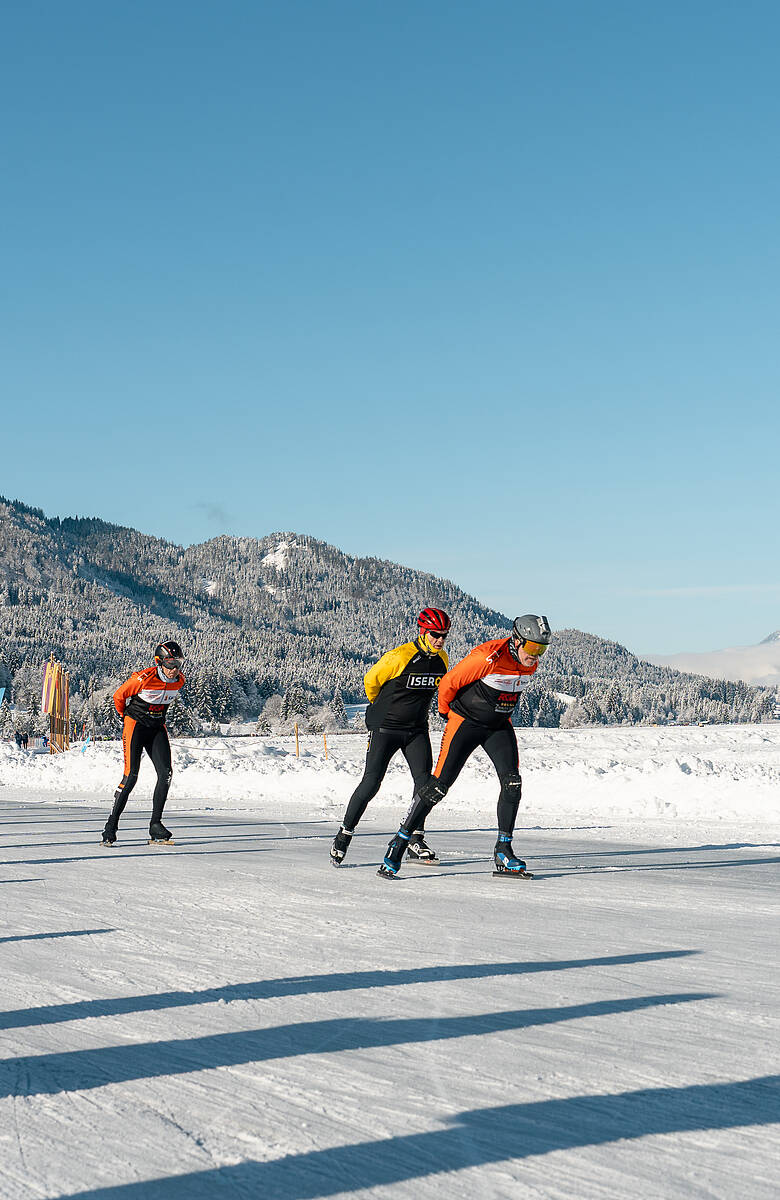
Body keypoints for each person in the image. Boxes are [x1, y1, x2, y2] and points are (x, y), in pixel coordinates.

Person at [378, 615, 552, 879]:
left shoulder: (530, 663)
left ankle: (503, 849)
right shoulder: (488, 657)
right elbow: (449, 682)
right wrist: (446, 713)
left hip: (497, 725)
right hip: (465, 723)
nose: (535, 655)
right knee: (438, 786)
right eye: (531, 647)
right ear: (517, 641)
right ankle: (399, 843)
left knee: (512, 782)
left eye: (541, 649)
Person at [330, 608, 451, 867]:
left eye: (444, 636)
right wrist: (381, 708)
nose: (439, 640)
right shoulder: (399, 656)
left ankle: (416, 840)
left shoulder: (443, 659)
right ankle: (344, 834)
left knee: (424, 784)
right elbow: (371, 681)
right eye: (435, 635)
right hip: (385, 728)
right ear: (423, 631)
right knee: (372, 782)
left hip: (416, 729)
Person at [101, 640, 185, 846]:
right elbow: (119, 696)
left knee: (166, 773)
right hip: (135, 726)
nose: (174, 669)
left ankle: (155, 825)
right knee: (131, 776)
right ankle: (110, 826)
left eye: (178, 664)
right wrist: (124, 717)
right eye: (170, 664)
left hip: (156, 727)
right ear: (159, 662)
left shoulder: (179, 681)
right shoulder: (142, 678)